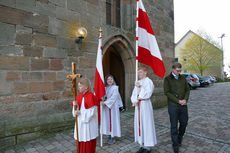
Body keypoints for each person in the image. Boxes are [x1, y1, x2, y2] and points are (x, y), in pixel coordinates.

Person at [163, 62, 190, 153]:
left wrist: (185, 99)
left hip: (183, 105)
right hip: (173, 106)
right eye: (177, 71)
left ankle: (179, 137)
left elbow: (187, 90)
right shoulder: (167, 79)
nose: (179, 72)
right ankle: (175, 145)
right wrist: (178, 100)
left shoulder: (183, 78)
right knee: (174, 126)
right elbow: (167, 92)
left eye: (180, 70)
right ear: (173, 69)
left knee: (184, 123)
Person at [131, 66, 157, 153]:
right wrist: (134, 100)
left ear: (145, 72)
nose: (139, 74)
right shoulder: (138, 82)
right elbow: (134, 93)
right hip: (138, 106)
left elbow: (148, 93)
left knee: (146, 124)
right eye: (138, 72)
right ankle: (141, 144)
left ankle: (147, 146)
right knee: (139, 124)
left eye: (141, 72)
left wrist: (140, 87)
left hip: (145, 105)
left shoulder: (148, 82)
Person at [71, 78, 99, 153]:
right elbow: (76, 110)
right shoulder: (79, 96)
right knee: (80, 139)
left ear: (86, 87)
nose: (78, 88)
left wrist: (81, 113)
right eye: (78, 86)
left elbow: (92, 112)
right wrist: (75, 108)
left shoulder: (91, 97)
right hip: (80, 123)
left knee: (87, 141)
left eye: (80, 86)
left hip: (88, 124)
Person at [101, 74, 122, 144]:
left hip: (113, 108)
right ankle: (108, 135)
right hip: (106, 108)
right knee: (107, 121)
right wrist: (101, 100)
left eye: (111, 79)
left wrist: (105, 103)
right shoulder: (105, 88)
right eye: (108, 79)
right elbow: (103, 96)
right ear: (106, 81)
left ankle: (113, 136)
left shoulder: (115, 88)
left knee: (112, 121)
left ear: (113, 80)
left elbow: (114, 97)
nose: (109, 80)